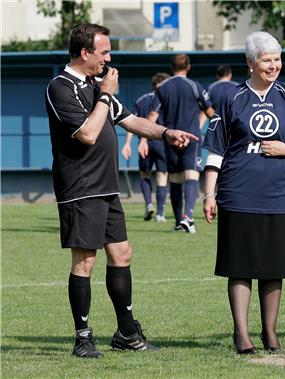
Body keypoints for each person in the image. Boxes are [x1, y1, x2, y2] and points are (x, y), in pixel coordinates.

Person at [45, 23, 195, 358]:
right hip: (80, 188)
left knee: (122, 253)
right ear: (85, 53)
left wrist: (166, 132)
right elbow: (88, 134)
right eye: (104, 53)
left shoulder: (96, 87)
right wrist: (106, 94)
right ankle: (83, 337)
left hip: (107, 188)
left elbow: (130, 120)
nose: (109, 59)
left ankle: (126, 333)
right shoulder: (61, 87)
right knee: (85, 261)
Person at [202, 31, 285, 354]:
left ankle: (270, 332)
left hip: (279, 195)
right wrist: (210, 195)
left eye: (277, 59)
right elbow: (214, 152)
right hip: (238, 194)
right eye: (267, 60)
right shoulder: (231, 98)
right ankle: (242, 334)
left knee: (274, 266)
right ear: (250, 63)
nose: (274, 65)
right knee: (240, 267)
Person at [149, 54, 215, 233]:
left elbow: (152, 117)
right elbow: (210, 112)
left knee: (176, 180)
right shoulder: (195, 86)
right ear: (189, 67)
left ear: (172, 68)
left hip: (171, 139)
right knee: (191, 176)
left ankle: (179, 222)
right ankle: (188, 218)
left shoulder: (162, 88)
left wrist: (145, 139)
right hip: (191, 138)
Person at [121, 72, 171, 222]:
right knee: (162, 177)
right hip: (162, 143)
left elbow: (131, 123)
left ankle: (149, 205)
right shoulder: (167, 99)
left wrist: (128, 143)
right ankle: (160, 214)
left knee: (145, 175)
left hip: (145, 144)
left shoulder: (141, 100)